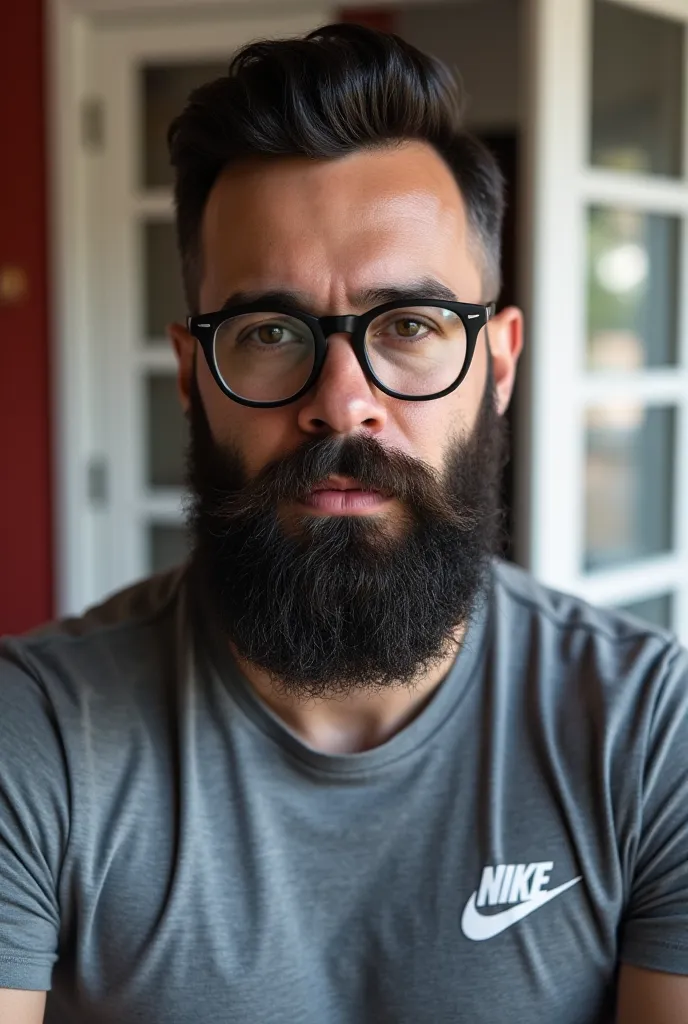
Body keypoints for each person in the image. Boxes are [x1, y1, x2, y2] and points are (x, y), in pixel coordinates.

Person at [1, 23, 687, 1024]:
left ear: (497, 363)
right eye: (271, 333)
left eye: (408, 325)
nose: (341, 402)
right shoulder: (35, 738)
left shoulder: (648, 734)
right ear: (192, 376)